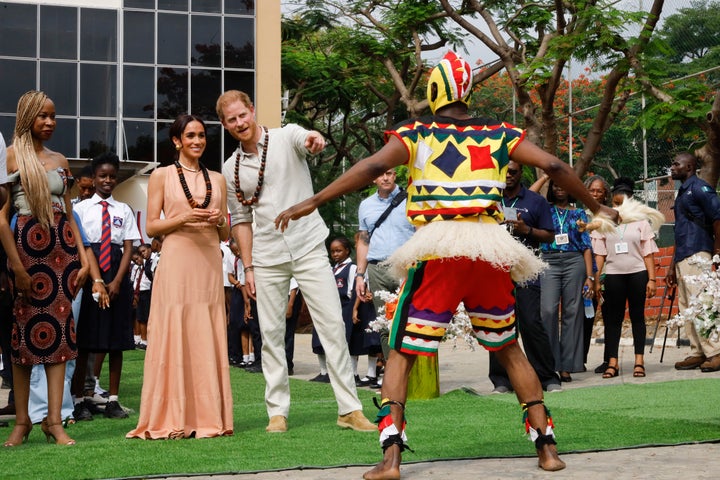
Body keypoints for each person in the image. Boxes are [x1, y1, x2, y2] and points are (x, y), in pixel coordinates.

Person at [275, 51, 618, 478]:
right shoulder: (499, 133)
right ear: (467, 92)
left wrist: (313, 200)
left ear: (434, 91)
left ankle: (391, 458)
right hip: (489, 250)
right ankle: (547, 448)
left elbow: (372, 166)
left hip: (440, 249)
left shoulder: (417, 132)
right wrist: (599, 208)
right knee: (508, 346)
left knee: (402, 351)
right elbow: (554, 165)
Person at [217, 89, 375, 434]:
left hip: (307, 246)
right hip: (266, 256)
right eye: (232, 120)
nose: (240, 123)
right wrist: (248, 268)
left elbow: (308, 138)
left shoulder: (286, 135)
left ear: (252, 110)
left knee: (333, 324)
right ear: (225, 125)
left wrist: (315, 139)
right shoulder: (231, 168)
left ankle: (349, 409)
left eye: (243, 115)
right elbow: (241, 220)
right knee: (270, 333)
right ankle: (277, 412)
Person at [127, 114, 233, 439]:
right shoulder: (161, 175)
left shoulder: (218, 178)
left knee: (206, 331)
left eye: (201, 135)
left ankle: (209, 417)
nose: (198, 141)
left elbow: (227, 232)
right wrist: (183, 216)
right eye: (191, 136)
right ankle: (169, 415)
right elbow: (151, 226)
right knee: (174, 329)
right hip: (176, 261)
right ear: (177, 141)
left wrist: (217, 221)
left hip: (208, 265)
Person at [0, 90, 97, 446]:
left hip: (62, 256)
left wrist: (84, 261)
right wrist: (16, 266)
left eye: (53, 116)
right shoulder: (9, 157)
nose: (50, 122)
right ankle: (22, 421)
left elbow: (69, 213)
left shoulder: (59, 159)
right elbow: (1, 217)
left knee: (61, 335)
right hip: (26, 253)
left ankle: (54, 420)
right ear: (27, 117)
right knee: (23, 338)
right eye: (43, 116)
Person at [72, 153, 140, 420]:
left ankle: (112, 399)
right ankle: (81, 399)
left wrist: (117, 281)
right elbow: (83, 247)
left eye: (112, 176)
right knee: (86, 341)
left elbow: (128, 247)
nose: (107, 180)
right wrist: (97, 281)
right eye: (102, 176)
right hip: (91, 274)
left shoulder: (123, 210)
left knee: (116, 341)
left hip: (116, 276)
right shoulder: (81, 209)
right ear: (93, 178)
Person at [488, 160, 561, 393]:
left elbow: (549, 236)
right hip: (495, 271)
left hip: (525, 270)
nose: (507, 175)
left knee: (531, 323)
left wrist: (526, 230)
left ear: (521, 174)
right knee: (498, 324)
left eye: (512, 172)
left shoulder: (535, 201)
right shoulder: (487, 199)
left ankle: (548, 377)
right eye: (503, 171)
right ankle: (501, 380)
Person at [591, 177, 662, 378]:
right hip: (613, 276)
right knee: (614, 319)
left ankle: (639, 361)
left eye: (627, 195)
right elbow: (600, 254)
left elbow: (648, 252)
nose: (621, 199)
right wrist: (596, 279)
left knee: (638, 317)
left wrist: (652, 279)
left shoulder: (640, 221)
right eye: (617, 195)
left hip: (638, 274)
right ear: (612, 197)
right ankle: (612, 363)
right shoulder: (603, 221)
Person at [356, 169, 415, 387]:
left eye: (389, 173)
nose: (386, 177)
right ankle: (393, 376)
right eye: (380, 174)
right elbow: (363, 241)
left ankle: (412, 376)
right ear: (374, 178)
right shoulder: (366, 205)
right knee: (384, 324)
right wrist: (360, 275)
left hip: (406, 267)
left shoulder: (411, 200)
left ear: (395, 176)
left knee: (409, 322)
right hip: (377, 268)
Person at [667, 152, 720, 372]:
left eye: (676, 164)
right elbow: (680, 231)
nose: (672, 167)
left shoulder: (700, 188)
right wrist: (671, 266)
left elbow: (718, 217)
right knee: (687, 307)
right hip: (683, 255)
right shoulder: (681, 192)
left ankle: (715, 351)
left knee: (702, 304)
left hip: (699, 252)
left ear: (689, 166)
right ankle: (698, 351)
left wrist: (717, 251)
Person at [540, 180, 594, 383]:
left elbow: (586, 245)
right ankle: (550, 364)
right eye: (556, 185)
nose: (559, 187)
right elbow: (530, 194)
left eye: (562, 184)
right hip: (549, 261)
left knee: (573, 312)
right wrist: (547, 176)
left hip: (574, 261)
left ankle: (566, 366)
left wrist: (590, 277)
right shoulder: (545, 209)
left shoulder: (579, 213)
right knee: (548, 311)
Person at [581, 175, 612, 373]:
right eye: (592, 190)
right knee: (584, 317)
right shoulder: (580, 214)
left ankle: (610, 360)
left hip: (608, 273)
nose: (595, 194)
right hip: (585, 274)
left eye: (599, 191)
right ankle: (579, 359)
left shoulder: (610, 216)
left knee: (610, 317)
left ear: (605, 194)